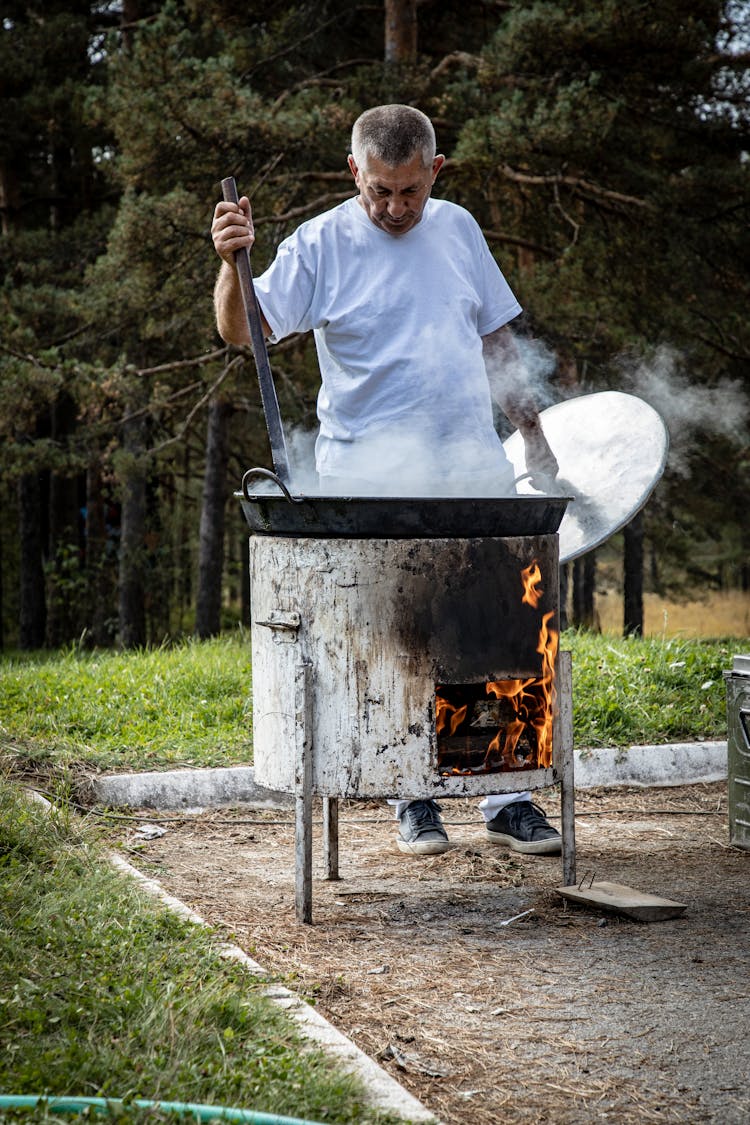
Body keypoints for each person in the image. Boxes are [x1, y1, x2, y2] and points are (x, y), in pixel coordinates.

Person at [212, 103, 562, 859]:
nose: (396, 208)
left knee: (497, 631)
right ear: (354, 173)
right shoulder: (322, 243)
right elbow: (244, 330)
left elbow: (497, 341)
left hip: (471, 468)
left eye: (411, 191)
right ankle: (415, 795)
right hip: (370, 483)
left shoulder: (459, 227)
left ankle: (506, 794)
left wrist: (532, 436)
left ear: (434, 171)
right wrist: (229, 261)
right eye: (380, 191)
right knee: (407, 638)